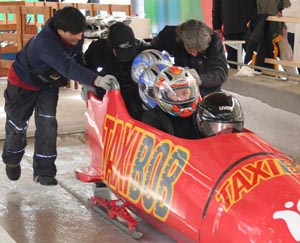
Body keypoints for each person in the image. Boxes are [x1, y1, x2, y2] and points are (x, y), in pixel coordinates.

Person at [2, 7, 116, 186]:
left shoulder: (76, 33)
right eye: (75, 34)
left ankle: (44, 171)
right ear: (61, 31)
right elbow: (67, 67)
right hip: (22, 83)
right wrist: (96, 80)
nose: (80, 38)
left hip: (48, 84)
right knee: (17, 124)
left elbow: (77, 60)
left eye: (81, 33)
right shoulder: (45, 44)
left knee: (48, 123)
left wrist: (86, 82)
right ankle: (12, 157)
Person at [84, 22, 151, 120]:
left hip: (135, 90)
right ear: (111, 46)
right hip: (108, 90)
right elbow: (84, 68)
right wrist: (87, 84)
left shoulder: (143, 50)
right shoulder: (96, 52)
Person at [151, 19, 228, 98]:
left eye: (199, 50)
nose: (195, 54)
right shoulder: (168, 36)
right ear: (182, 40)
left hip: (205, 92)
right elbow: (150, 53)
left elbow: (221, 73)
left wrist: (199, 79)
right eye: (191, 50)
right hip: (174, 91)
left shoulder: (214, 40)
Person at [142, 66, 201, 139]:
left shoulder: (201, 112)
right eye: (174, 94)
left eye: (185, 93)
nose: (182, 99)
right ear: (162, 96)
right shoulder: (152, 117)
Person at [255, 0, 296, 75]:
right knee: (268, 53)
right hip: (267, 27)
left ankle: (293, 77)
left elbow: (289, 7)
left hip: (278, 27)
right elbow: (259, 11)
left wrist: (283, 15)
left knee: (285, 55)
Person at [212, 0, 257, 68]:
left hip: (233, 26)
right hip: (248, 26)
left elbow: (217, 5)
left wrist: (217, 26)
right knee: (251, 62)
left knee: (236, 62)